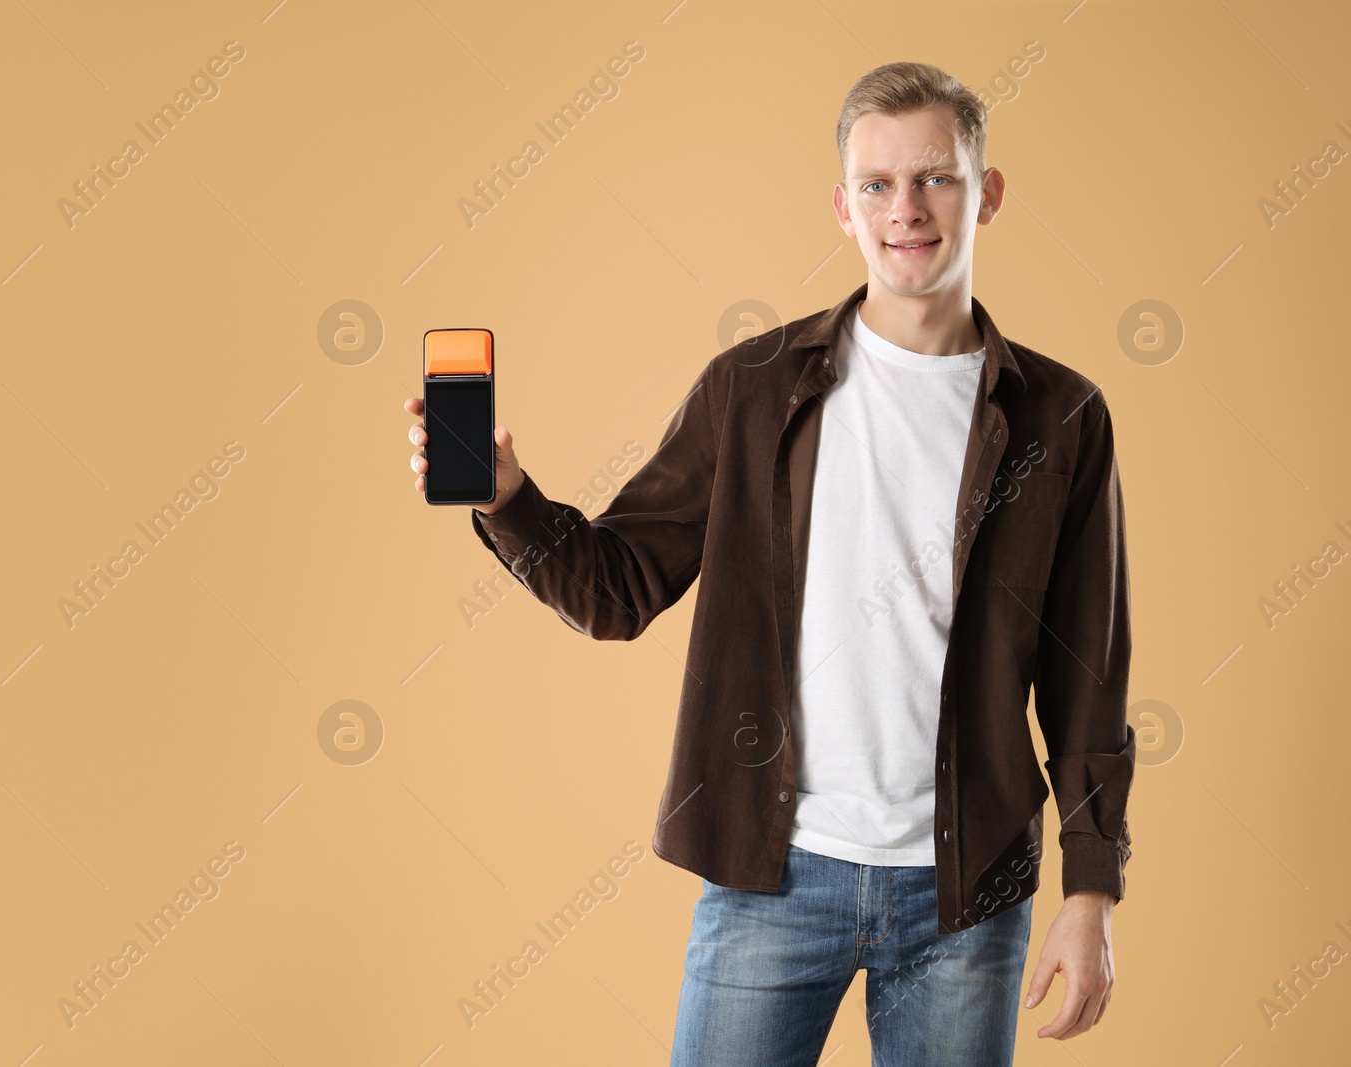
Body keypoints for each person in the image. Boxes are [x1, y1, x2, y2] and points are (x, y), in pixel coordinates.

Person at [404, 60, 1133, 1067]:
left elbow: (1087, 678)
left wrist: (1089, 890)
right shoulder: (749, 392)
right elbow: (617, 591)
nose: (906, 209)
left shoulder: (1063, 416)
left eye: (935, 178)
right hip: (773, 874)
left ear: (987, 192)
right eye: (876, 185)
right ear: (843, 206)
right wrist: (506, 499)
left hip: (971, 891)